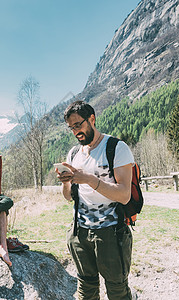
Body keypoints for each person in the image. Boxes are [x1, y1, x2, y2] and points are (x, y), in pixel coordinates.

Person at [57, 100, 134, 300]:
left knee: (117, 290)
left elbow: (125, 195)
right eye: (71, 128)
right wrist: (66, 182)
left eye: (78, 125)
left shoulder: (117, 148)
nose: (75, 132)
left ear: (92, 119)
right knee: (86, 290)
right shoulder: (74, 154)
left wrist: (90, 180)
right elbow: (68, 197)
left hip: (111, 232)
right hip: (80, 232)